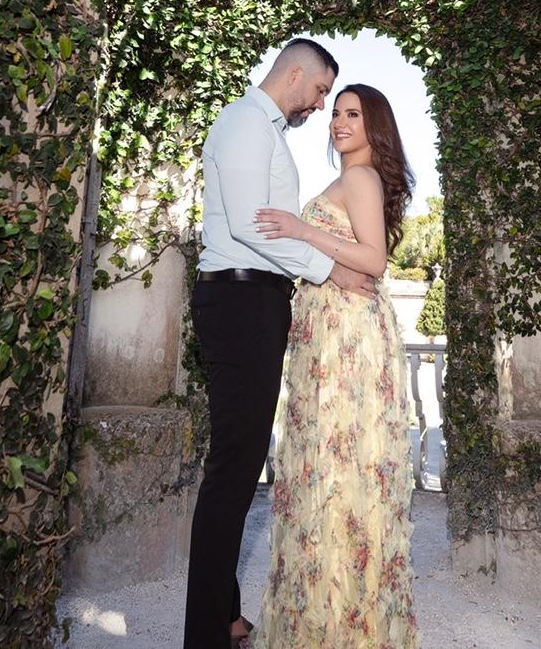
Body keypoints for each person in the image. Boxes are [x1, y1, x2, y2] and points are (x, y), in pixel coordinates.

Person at [183, 39, 377, 649]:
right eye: (320, 92)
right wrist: (330, 269)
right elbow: (249, 225)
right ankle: (204, 637)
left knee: (237, 467)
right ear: (295, 74)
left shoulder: (263, 129)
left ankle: (225, 616)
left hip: (252, 300)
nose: (320, 107)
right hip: (240, 300)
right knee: (232, 472)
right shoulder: (246, 122)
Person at [253, 84, 419, 648]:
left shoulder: (360, 178)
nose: (338, 122)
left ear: (375, 126)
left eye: (353, 114)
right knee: (324, 469)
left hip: (348, 337)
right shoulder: (351, 178)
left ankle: (344, 625)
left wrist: (302, 229)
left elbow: (374, 260)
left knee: (339, 469)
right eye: (337, 114)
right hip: (329, 332)